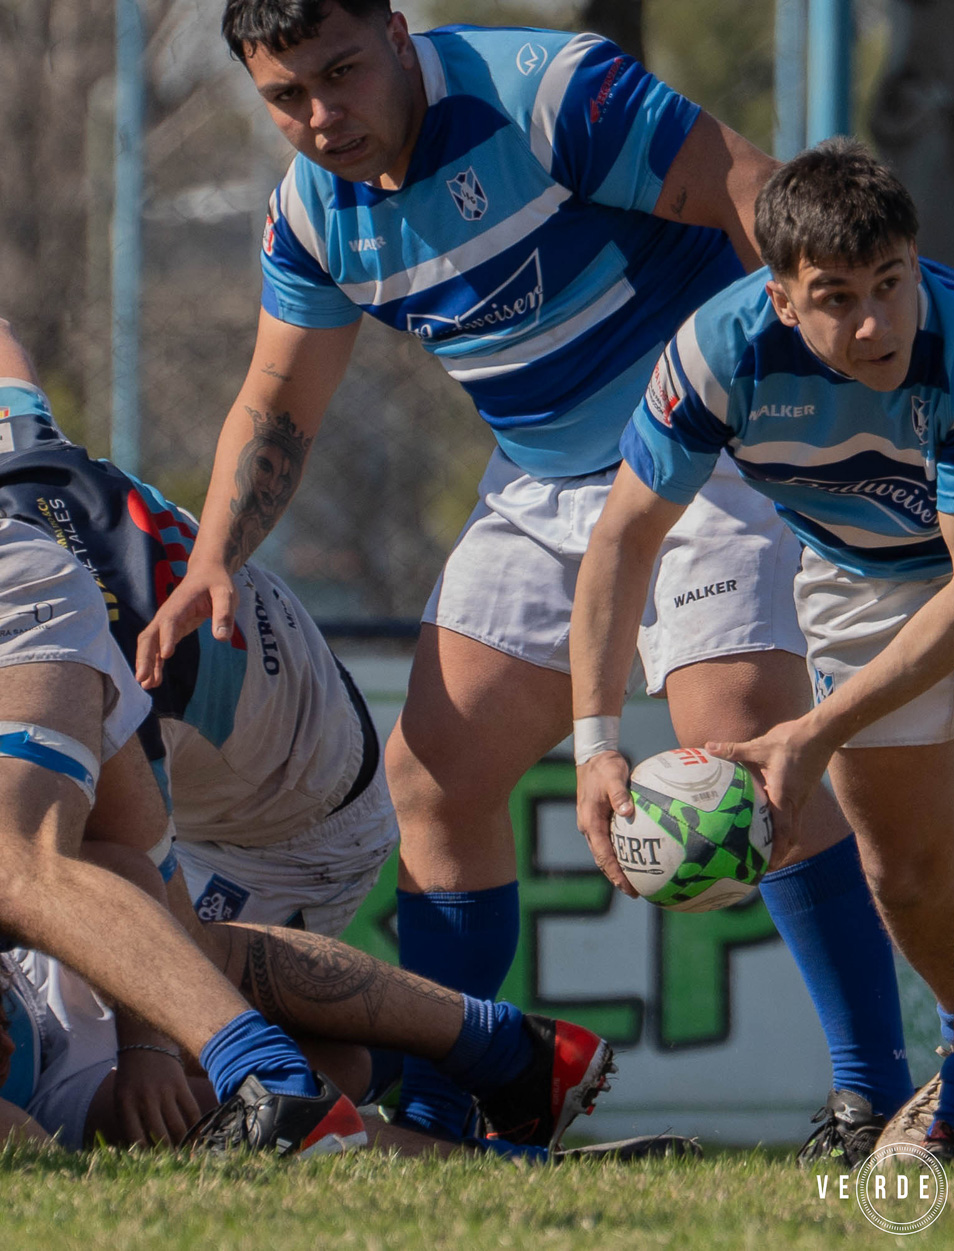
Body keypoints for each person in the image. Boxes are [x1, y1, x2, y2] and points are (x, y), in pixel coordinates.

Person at [138, 0, 913, 1160]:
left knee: (738, 744)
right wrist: (213, 560)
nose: (322, 115)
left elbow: (757, 196)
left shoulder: (548, 93)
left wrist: (850, 403)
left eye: (342, 72)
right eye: (286, 96)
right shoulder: (311, 216)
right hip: (548, 483)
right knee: (435, 776)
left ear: (396, 32)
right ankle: (458, 1106)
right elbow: (279, 396)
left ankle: (874, 1102)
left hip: (712, 445)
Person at [569, 139, 954, 1168]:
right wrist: (596, 743)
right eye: (837, 297)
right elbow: (624, 540)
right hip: (859, 573)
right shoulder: (714, 356)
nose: (874, 324)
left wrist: (813, 730)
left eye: (891, 284)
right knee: (903, 875)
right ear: (781, 299)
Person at [0, 331, 393, 940]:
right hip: (279, 710)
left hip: (295, 835)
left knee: (161, 964)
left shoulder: (95, 670)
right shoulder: (20, 457)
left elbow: (142, 886)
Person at [0, 502, 364, 1154]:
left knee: (20, 864)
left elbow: (120, 860)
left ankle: (275, 1070)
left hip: (293, 791)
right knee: (345, 1071)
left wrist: (149, 1046)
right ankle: (482, 1091)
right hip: (63, 1074)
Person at [0, 838, 621, 1155]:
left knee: (189, 946)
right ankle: (491, 1143)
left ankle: (502, 1048)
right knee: (315, 1091)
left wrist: (148, 1046)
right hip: (52, 1091)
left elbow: (119, 858)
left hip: (45, 965)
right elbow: (34, 1152)